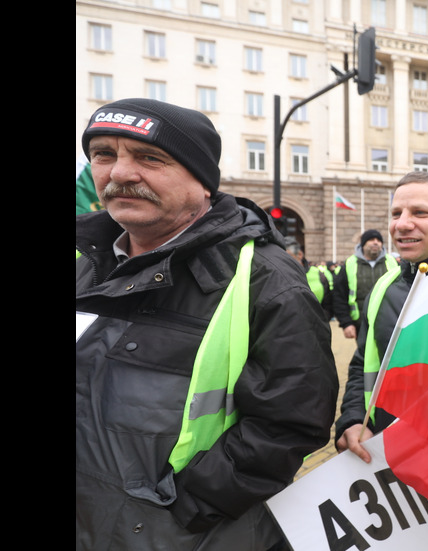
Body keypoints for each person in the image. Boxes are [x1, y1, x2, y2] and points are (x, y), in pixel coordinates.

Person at [76, 98, 338, 550]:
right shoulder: (84, 264)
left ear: (201, 179)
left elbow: (290, 423)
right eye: (104, 154)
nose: (119, 173)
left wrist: (183, 509)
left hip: (183, 534)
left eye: (149, 157)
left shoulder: (265, 279)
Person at [335, 171, 428, 463]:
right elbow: (365, 365)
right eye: (396, 213)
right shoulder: (385, 287)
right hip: (389, 458)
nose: (402, 224)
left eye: (420, 212)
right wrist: (354, 419)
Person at [333, 229, 399, 339]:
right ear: (363, 244)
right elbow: (339, 296)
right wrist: (346, 323)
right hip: (361, 325)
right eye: (371, 240)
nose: (376, 242)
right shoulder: (349, 264)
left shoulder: (393, 262)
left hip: (389, 322)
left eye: (379, 240)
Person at [287, 240, 336, 324]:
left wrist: (320, 321)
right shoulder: (275, 276)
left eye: (287, 256)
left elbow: (328, 305)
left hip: (314, 329)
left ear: (299, 255)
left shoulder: (319, 275)